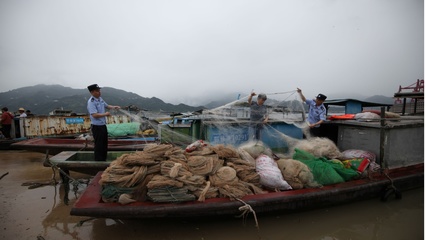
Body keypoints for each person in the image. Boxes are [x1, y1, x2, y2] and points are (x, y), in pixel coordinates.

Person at [87, 84, 121, 161]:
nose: (99, 92)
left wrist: (114, 107)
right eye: (97, 91)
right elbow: (94, 115)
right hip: (96, 126)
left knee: (104, 144)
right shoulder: (91, 102)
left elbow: (107, 106)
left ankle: (103, 159)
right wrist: (106, 114)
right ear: (92, 92)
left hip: (102, 125)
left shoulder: (100, 99)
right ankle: (98, 161)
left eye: (99, 90)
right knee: (99, 145)